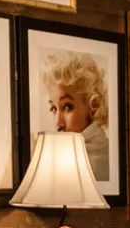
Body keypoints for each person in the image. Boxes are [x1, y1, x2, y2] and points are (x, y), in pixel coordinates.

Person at [40, 51, 109, 184]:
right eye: (54, 108)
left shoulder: (110, 158)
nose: (58, 123)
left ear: (92, 106)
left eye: (67, 107)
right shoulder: (51, 159)